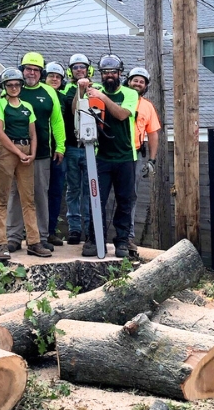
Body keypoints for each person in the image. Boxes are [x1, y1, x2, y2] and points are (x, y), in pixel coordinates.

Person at [79, 54, 138, 258]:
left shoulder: (130, 94)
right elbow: (77, 112)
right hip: (101, 156)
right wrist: (81, 92)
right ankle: (95, 239)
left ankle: (122, 241)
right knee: (96, 200)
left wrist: (103, 97)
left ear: (120, 74)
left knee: (124, 201)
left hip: (125, 157)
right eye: (105, 73)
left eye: (113, 72)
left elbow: (121, 114)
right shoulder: (94, 93)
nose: (109, 76)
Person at [0, 68, 52, 259]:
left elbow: (33, 132)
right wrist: (18, 152)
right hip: (7, 151)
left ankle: (34, 241)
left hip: (26, 151)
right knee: (2, 198)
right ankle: (2, 243)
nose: (14, 87)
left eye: (17, 84)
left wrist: (32, 153)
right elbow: (0, 133)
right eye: (10, 85)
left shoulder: (27, 106)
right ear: (4, 86)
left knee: (28, 198)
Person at [7, 52, 65, 253]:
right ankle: (13, 237)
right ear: (22, 70)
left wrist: (60, 146)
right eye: (28, 69)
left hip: (41, 153)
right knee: (15, 194)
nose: (31, 73)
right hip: (14, 152)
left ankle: (39, 237)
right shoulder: (13, 89)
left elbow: (57, 121)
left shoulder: (49, 92)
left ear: (41, 72)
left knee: (41, 194)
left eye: (35, 70)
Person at [126, 67, 161, 253]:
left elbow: (153, 134)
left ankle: (128, 236)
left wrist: (152, 160)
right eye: (134, 80)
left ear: (146, 86)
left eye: (141, 81)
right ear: (128, 81)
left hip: (135, 156)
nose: (137, 84)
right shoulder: (119, 97)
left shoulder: (147, 106)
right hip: (111, 154)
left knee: (131, 196)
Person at [61, 54, 93, 245]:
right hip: (73, 147)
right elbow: (74, 110)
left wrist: (88, 89)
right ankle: (74, 228)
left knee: (90, 190)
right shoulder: (67, 90)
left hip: (91, 147)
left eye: (82, 67)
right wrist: (79, 91)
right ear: (70, 71)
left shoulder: (97, 90)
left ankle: (90, 228)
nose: (79, 70)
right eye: (75, 67)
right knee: (73, 189)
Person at [44, 62, 67, 246]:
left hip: (58, 153)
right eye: (51, 75)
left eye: (58, 77)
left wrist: (61, 147)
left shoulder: (65, 99)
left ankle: (50, 232)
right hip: (40, 152)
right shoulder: (38, 95)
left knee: (55, 193)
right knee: (36, 194)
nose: (54, 79)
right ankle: (34, 233)